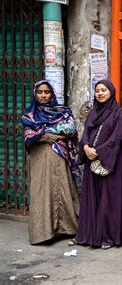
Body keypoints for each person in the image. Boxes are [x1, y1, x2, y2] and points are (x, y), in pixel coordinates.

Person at [69, 80, 122, 249]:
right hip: (92, 161)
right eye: (97, 91)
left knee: (108, 200)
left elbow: (116, 139)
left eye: (103, 90)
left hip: (112, 163)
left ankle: (108, 237)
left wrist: (98, 151)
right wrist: (86, 147)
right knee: (91, 198)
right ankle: (88, 236)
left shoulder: (120, 113)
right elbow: (86, 132)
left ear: (111, 91)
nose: (100, 93)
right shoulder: (93, 113)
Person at [21, 80, 80, 245]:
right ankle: (43, 233)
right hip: (39, 159)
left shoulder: (62, 111)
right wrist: (51, 134)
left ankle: (67, 229)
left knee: (62, 189)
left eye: (47, 92)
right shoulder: (29, 115)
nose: (43, 95)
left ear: (52, 93)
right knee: (42, 192)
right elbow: (29, 135)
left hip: (60, 159)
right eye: (40, 92)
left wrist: (44, 133)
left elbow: (70, 129)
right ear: (35, 94)